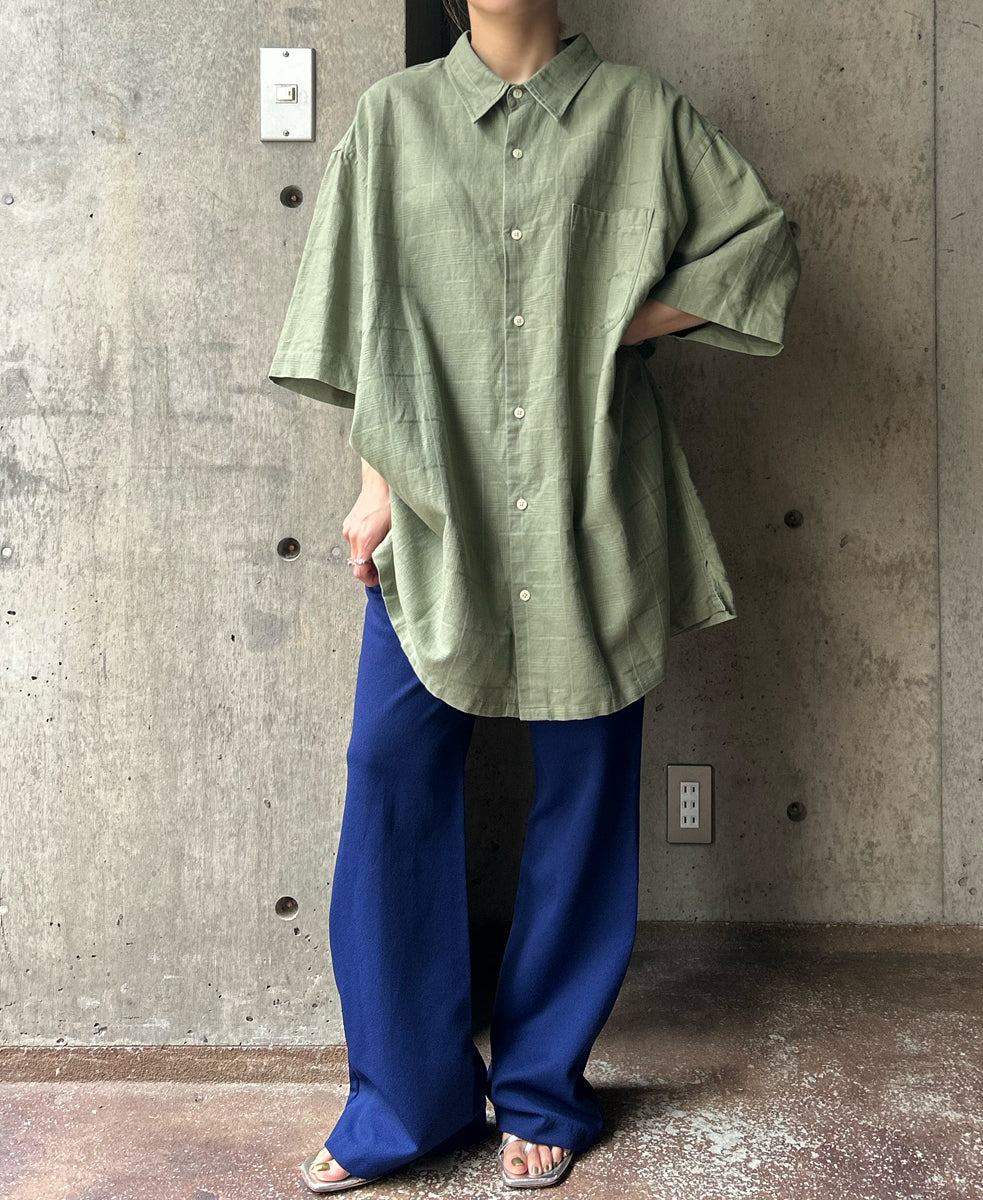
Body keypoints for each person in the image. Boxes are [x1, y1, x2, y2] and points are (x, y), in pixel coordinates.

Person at [268, 0, 800, 1191]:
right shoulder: (394, 120)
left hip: (590, 501)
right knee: (390, 775)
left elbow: (757, 244)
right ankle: (402, 1103)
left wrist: (612, 317)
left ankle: (544, 1089)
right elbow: (366, 321)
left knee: (587, 792)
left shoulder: (642, 115)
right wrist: (373, 486)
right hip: (433, 507)